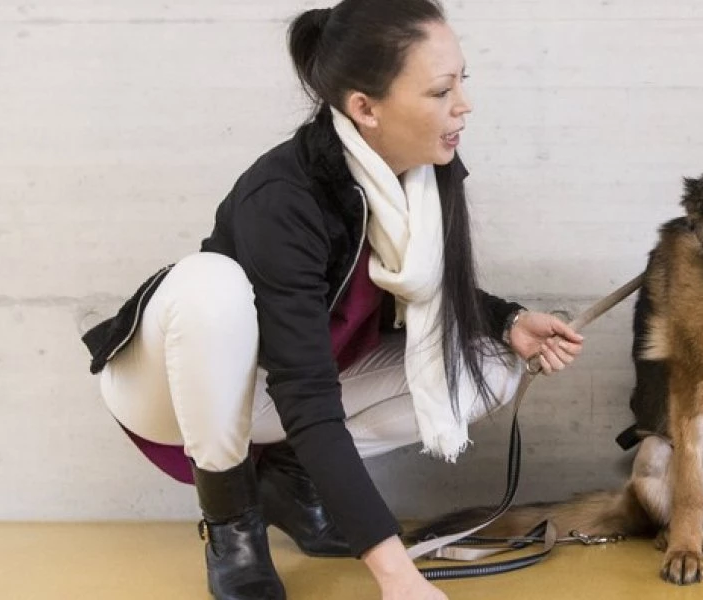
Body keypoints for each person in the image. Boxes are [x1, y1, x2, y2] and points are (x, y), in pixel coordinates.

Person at [79, 1, 584, 598]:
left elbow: (420, 282)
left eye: (462, 83)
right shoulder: (284, 197)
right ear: (364, 108)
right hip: (171, 390)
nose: (463, 105)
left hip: (272, 394)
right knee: (209, 283)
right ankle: (232, 525)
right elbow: (306, 391)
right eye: (441, 91)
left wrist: (509, 320)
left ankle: (292, 482)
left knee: (493, 365)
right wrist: (399, 579)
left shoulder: (427, 171)